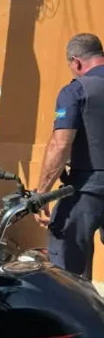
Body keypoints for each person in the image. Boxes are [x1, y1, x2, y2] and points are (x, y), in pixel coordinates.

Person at [35, 33, 104, 279]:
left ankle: (81, 315)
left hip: (87, 188)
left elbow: (60, 144)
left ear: (76, 62)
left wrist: (41, 192)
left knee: (69, 272)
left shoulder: (75, 91)